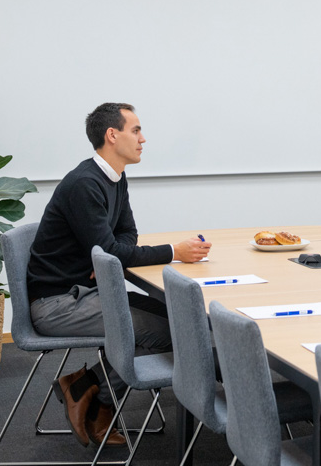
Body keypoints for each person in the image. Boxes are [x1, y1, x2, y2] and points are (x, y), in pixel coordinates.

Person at [27, 102, 211, 448]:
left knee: (180, 317)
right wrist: (174, 252)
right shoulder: (85, 183)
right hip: (58, 303)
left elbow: (126, 237)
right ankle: (95, 396)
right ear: (112, 135)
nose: (144, 139)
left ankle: (84, 386)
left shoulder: (115, 177)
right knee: (178, 331)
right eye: (136, 130)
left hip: (86, 292)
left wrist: (105, 255)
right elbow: (113, 249)